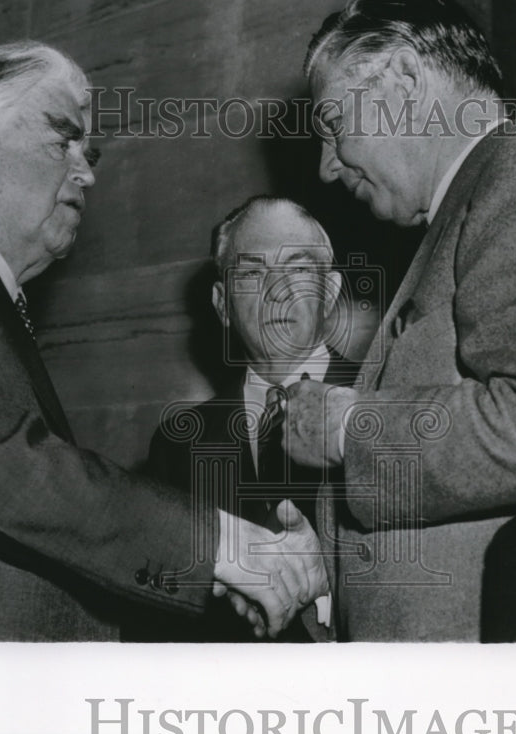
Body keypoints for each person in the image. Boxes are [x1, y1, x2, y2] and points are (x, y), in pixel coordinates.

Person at [0, 42, 326, 641]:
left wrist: (225, 582)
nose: (87, 170)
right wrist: (224, 546)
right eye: (61, 138)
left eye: (86, 150)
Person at [284, 0, 516, 642]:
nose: (326, 168)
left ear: (403, 77)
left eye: (334, 128)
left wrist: (348, 431)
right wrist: (325, 567)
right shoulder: (465, 209)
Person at [140, 196, 359, 641]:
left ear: (331, 292)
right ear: (221, 304)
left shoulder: (381, 401)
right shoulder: (178, 445)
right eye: (252, 273)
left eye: (297, 269)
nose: (277, 290)